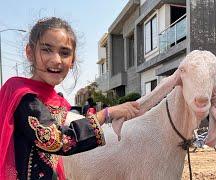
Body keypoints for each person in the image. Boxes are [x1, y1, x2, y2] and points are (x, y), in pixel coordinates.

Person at [0, 17, 140, 179]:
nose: (56, 60)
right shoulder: (24, 95)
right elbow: (57, 140)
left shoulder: (57, 101)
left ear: (72, 61)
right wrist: (106, 114)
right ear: (30, 53)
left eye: (65, 53)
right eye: (46, 49)